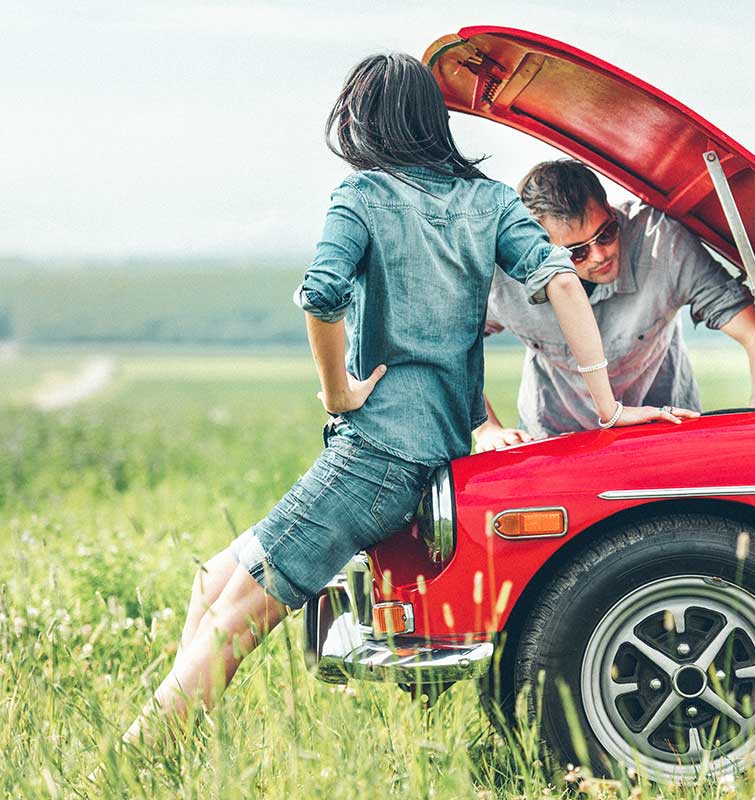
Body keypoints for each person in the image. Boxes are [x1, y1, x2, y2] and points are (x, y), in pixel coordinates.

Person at [114, 54, 681, 754]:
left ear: (362, 121)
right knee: (216, 580)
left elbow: (320, 295)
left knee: (236, 617)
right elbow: (562, 283)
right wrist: (609, 407)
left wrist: (336, 393)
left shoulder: (362, 196)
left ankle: (130, 764)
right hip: (427, 453)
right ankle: (169, 750)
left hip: (373, 457)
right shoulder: (491, 200)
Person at [474, 159, 755, 451]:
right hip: (555, 440)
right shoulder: (504, 275)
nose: (599, 255)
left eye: (606, 233)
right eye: (576, 253)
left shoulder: (663, 243)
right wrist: (486, 428)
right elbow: (451, 349)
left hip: (665, 432)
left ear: (610, 209)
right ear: (539, 248)